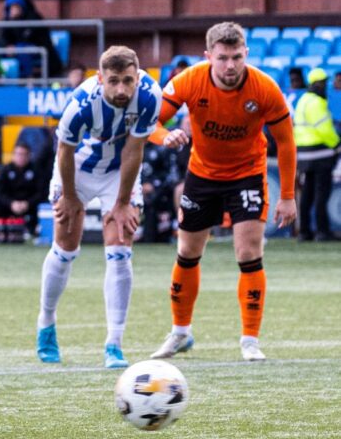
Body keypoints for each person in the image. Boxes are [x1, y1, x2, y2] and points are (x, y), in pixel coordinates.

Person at [149, 22, 296, 362]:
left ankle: (249, 340)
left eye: (236, 57)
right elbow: (152, 122)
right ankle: (180, 333)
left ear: (246, 54)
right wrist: (163, 136)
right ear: (208, 57)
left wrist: (287, 195)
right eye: (222, 58)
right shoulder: (189, 79)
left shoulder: (265, 88)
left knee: (247, 252)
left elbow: (286, 143)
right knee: (187, 251)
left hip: (248, 174)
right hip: (201, 174)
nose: (230, 66)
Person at [36, 46, 161, 368]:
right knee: (66, 248)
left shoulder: (149, 95)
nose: (122, 89)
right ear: (100, 78)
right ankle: (46, 323)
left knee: (121, 248)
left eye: (128, 81)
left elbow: (134, 151)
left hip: (119, 171)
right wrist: (69, 196)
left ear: (137, 76)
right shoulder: (81, 104)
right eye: (114, 81)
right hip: (76, 168)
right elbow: (64, 151)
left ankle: (114, 345)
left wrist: (121, 203)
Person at [293, 68, 339, 242]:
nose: (325, 86)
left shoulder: (303, 100)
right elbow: (325, 129)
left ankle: (304, 231)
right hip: (320, 154)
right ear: (316, 84)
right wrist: (337, 144)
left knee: (307, 194)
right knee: (322, 193)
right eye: (323, 83)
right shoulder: (317, 102)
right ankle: (322, 231)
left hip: (304, 155)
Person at [0, 142, 43, 242]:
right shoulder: (6, 170)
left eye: (24, 154)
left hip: (29, 204)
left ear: (29, 156)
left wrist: (27, 203)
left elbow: (41, 192)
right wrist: (11, 203)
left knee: (42, 206)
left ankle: (34, 230)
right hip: (10, 204)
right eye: (18, 154)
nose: (21, 157)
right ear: (13, 155)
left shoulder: (36, 170)